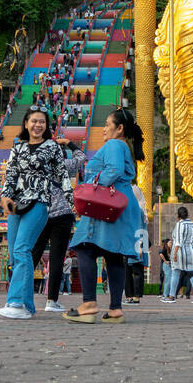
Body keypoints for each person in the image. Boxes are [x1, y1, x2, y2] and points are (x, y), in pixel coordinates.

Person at [64, 108, 148, 323]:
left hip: (105, 203)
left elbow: (114, 170)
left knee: (84, 247)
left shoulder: (113, 144)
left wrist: (93, 186)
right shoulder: (123, 146)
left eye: (107, 124)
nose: (103, 129)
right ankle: (115, 309)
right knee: (113, 254)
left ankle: (89, 303)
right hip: (121, 203)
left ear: (119, 128)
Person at [0, 108, 65, 320]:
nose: (38, 125)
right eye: (34, 121)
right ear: (26, 123)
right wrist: (5, 196)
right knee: (15, 252)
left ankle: (15, 302)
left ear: (47, 125)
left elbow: (61, 175)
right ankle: (27, 305)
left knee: (22, 248)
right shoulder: (18, 147)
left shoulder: (52, 147)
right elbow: (11, 175)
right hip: (16, 204)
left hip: (38, 202)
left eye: (42, 122)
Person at [30, 136, 85, 313]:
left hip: (41, 214)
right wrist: (68, 142)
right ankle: (51, 301)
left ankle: (19, 295)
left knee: (32, 254)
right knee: (56, 259)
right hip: (62, 215)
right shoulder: (63, 165)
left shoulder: (38, 166)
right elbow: (81, 157)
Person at [164, 206, 193, 305]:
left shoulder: (180, 224)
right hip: (191, 250)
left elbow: (179, 241)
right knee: (190, 272)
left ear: (178, 215)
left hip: (181, 251)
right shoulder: (191, 223)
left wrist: (174, 253)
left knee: (175, 272)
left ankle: (171, 296)